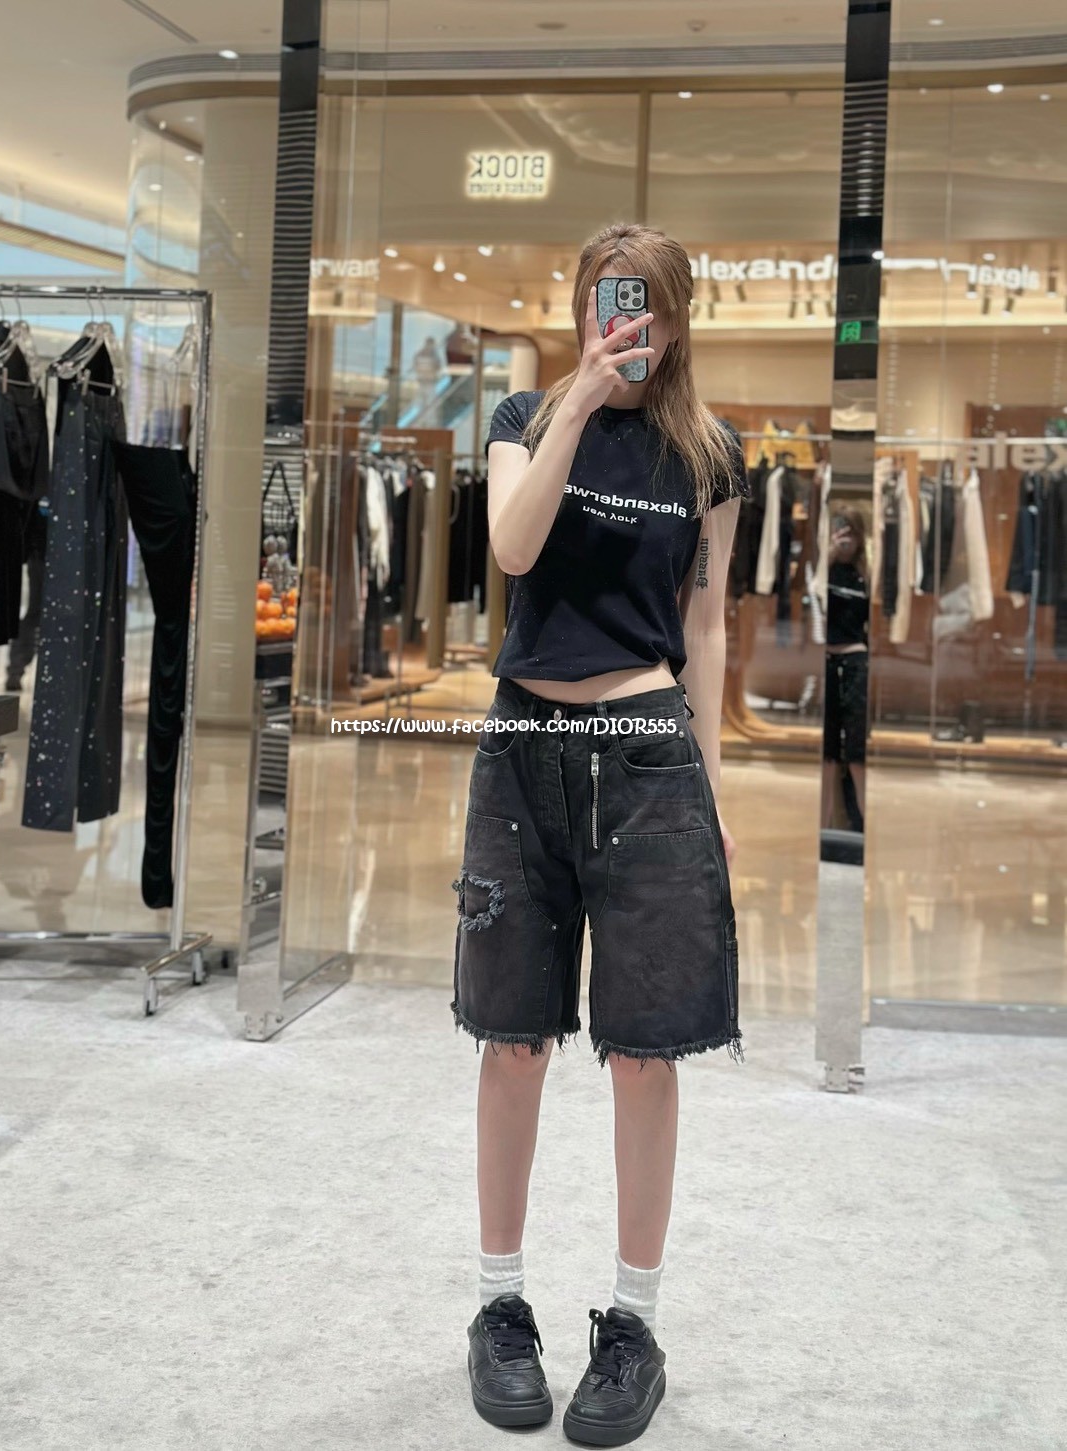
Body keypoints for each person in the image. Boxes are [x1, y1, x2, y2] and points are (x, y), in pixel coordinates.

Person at [452, 222, 750, 1446]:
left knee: (643, 1050)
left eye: (646, 306)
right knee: (512, 1037)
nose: (626, 323)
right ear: (581, 305)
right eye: (605, 300)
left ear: (676, 321)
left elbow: (707, 625)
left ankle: (632, 1323)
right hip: (523, 750)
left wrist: (709, 787)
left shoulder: (709, 454)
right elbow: (511, 548)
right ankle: (499, 1305)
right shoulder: (521, 419)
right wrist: (575, 396)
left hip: (646, 757)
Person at [820, 509, 870, 831]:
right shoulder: (823, 571)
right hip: (826, 661)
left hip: (856, 662)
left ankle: (863, 823)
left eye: (852, 531)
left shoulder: (866, 573)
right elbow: (810, 597)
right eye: (841, 530)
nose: (846, 538)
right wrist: (828, 554)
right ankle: (824, 824)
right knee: (826, 754)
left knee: (855, 752)